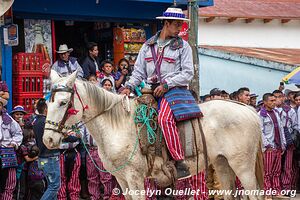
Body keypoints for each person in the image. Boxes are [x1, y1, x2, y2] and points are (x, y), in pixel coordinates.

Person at [122, 7, 197, 179]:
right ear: (166, 23)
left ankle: (179, 162)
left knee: (164, 119)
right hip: (150, 91)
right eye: (177, 25)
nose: (180, 29)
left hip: (175, 91)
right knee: (136, 117)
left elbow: (187, 74)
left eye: (181, 25)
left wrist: (167, 84)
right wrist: (128, 87)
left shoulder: (183, 47)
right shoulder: (147, 46)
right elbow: (138, 72)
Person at [259, 93, 286, 200]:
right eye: (271, 101)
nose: (274, 102)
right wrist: (267, 144)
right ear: (265, 102)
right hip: (269, 147)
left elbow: (281, 129)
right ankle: (267, 193)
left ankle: (276, 191)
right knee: (267, 172)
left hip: (278, 146)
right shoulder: (261, 114)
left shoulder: (276, 112)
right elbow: (260, 132)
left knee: (276, 171)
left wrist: (283, 144)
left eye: (274, 100)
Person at [33, 98, 61, 200]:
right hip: (50, 158)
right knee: (54, 186)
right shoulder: (46, 122)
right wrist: (74, 137)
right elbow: (56, 137)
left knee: (51, 186)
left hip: (43, 158)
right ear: (46, 109)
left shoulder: (36, 121)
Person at [273, 90, 298, 193]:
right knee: (275, 166)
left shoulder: (290, 110)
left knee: (287, 166)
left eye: (279, 97)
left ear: (283, 97)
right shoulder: (271, 111)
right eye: (275, 97)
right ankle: (276, 187)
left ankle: (286, 188)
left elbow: (296, 125)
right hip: (275, 141)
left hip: (288, 140)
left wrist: (292, 137)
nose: (277, 99)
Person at [0, 98, 23, 200]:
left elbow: (18, 133)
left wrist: (13, 143)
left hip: (6, 152)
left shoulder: (8, 120)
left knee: (9, 182)